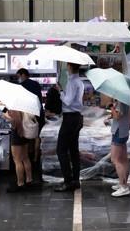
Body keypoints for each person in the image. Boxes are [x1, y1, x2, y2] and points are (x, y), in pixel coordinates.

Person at [55, 62, 84, 192]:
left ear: (71, 67)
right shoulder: (79, 81)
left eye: (68, 65)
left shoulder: (73, 82)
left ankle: (68, 181)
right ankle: (75, 180)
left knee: (61, 150)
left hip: (70, 118)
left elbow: (67, 101)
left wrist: (60, 90)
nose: (66, 67)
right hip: (76, 117)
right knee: (73, 150)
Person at [16, 68, 45, 177]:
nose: (18, 78)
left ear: (23, 74)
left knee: (27, 137)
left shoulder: (22, 86)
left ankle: (28, 154)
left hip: (28, 114)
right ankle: (36, 157)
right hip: (38, 113)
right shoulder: (36, 84)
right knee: (37, 136)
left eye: (18, 76)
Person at [2, 109, 34, 192]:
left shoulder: (13, 109)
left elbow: (13, 121)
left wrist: (4, 115)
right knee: (25, 158)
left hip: (17, 134)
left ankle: (20, 183)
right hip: (24, 133)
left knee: (17, 160)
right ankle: (29, 179)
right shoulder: (23, 107)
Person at [104, 99, 130, 197]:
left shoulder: (121, 101)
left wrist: (111, 106)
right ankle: (123, 184)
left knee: (115, 160)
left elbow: (117, 116)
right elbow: (120, 115)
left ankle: (124, 187)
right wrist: (111, 114)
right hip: (124, 131)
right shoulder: (126, 99)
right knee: (123, 159)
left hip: (118, 132)